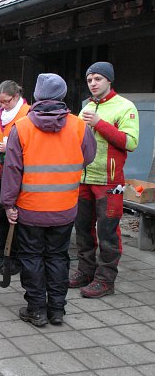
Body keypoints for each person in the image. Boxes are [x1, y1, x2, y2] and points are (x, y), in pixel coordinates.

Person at [1, 73, 96, 326]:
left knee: (31, 257)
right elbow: (88, 157)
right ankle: (56, 310)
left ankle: (36, 310)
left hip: (31, 209)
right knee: (58, 257)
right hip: (64, 208)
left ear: (37, 95)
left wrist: (8, 204)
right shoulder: (79, 126)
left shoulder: (22, 127)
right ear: (62, 95)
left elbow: (12, 171)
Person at [70, 62, 140, 298]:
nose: (93, 83)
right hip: (83, 178)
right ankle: (85, 272)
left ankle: (105, 280)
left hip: (110, 182)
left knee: (108, 232)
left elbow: (130, 142)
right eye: (89, 80)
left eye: (98, 79)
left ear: (109, 80)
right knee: (82, 229)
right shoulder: (87, 106)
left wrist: (99, 123)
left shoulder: (125, 106)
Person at [0, 80, 30, 274]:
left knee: (16, 218)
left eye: (6, 101)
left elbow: (30, 145)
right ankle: (2, 255)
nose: (2, 105)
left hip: (17, 174)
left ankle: (16, 258)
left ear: (16, 96)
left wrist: (9, 148)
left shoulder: (28, 113)